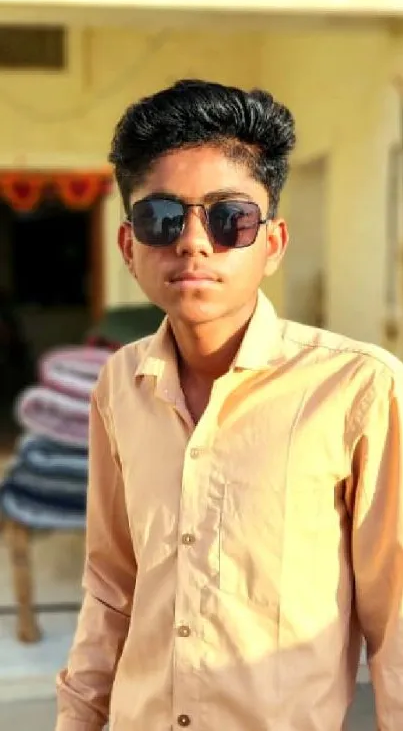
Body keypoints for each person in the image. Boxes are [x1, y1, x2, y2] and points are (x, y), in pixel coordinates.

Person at [55, 79, 403, 731]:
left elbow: (398, 618)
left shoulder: (357, 390)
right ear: (129, 247)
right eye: (162, 217)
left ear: (270, 243)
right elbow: (111, 589)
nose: (193, 242)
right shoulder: (118, 388)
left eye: (228, 218)